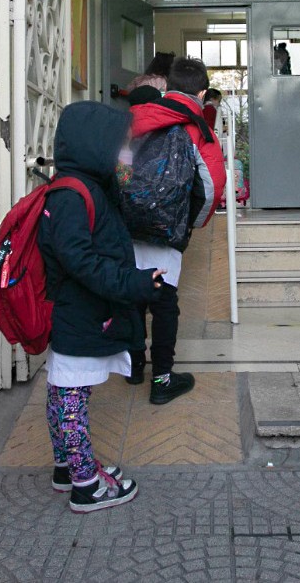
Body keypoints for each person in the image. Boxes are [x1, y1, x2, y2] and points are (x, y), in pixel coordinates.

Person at [37, 101, 165, 512]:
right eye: (120, 144)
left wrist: (124, 167)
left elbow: (125, 192)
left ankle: (66, 468)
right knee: (71, 399)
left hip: (82, 312)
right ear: (95, 144)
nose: (125, 152)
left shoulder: (87, 185)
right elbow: (82, 262)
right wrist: (134, 283)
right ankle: (86, 486)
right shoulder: (72, 195)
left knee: (64, 392)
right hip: (79, 312)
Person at [126, 57, 226, 404]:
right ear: (202, 93)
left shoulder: (137, 117)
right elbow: (212, 186)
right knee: (164, 302)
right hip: (167, 225)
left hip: (128, 222)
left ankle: (134, 366)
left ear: (166, 87)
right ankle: (162, 379)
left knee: (132, 294)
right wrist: (191, 223)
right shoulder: (198, 127)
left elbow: (117, 165)